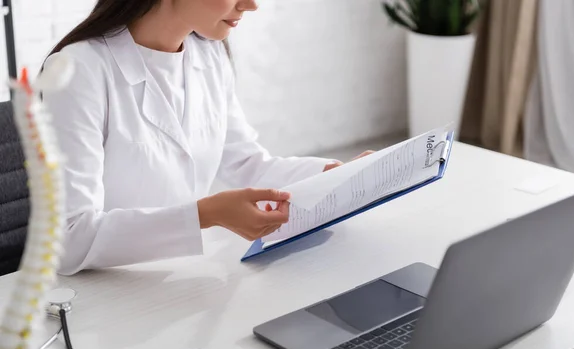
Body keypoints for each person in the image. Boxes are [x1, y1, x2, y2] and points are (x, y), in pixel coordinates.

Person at [43, 0, 372, 275]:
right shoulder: (78, 71)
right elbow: (70, 240)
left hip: (187, 278)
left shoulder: (208, 53)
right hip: (103, 296)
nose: (251, 5)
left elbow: (247, 164)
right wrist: (205, 215)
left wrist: (335, 175)